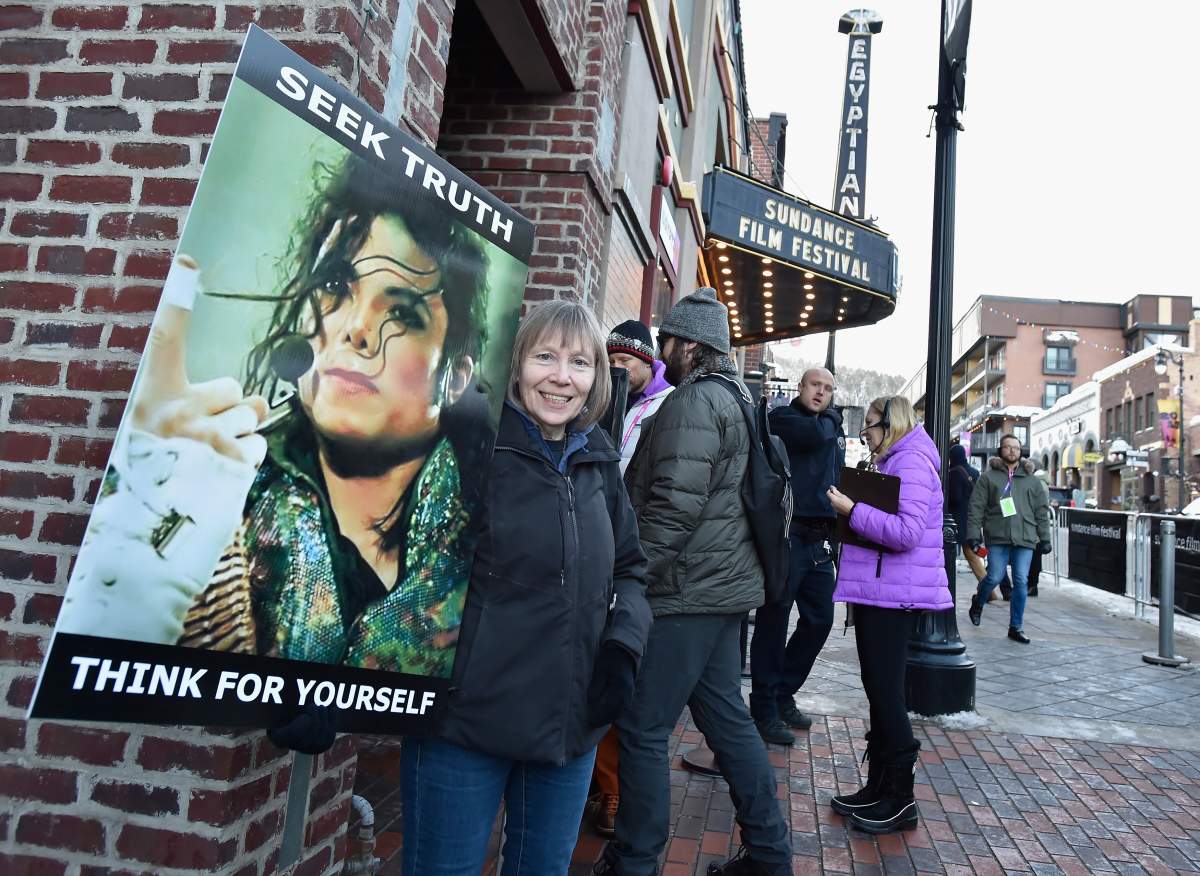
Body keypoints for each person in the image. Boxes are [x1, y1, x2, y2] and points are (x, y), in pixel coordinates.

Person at [57, 153, 494, 676]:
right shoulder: (215, 504)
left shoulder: (485, 540)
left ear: (457, 377)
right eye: (334, 287)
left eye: (402, 312)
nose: (356, 329)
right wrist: (144, 548)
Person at [401, 300, 652, 875]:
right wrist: (321, 687)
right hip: (463, 726)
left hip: (568, 730)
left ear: (597, 378)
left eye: (580, 362)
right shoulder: (471, 448)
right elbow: (406, 577)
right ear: (517, 365)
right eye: (546, 357)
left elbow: (632, 571)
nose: (562, 376)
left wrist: (622, 647)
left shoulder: (599, 463)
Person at [600, 288, 792, 876]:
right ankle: (768, 853)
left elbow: (672, 509)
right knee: (727, 721)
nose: (663, 352)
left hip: (685, 594)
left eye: (667, 342)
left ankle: (633, 862)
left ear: (690, 344)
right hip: (722, 590)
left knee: (642, 728)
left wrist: (629, 581)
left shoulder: (693, 404)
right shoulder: (738, 399)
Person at [825, 396, 952, 835]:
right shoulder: (896, 459)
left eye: (871, 428)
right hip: (880, 591)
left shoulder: (912, 461)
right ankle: (879, 786)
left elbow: (906, 533)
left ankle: (900, 798)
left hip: (892, 594)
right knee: (879, 690)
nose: (867, 437)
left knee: (886, 692)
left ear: (891, 424)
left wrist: (851, 511)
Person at [586, 319, 673, 837]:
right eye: (612, 361)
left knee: (620, 674)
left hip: (630, 549)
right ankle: (596, 786)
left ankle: (613, 792)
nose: (619, 369)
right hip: (591, 538)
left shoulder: (664, 408)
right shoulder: (598, 398)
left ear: (649, 362)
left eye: (628, 362)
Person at [749, 367, 844, 745]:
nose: (822, 393)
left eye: (829, 389)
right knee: (773, 623)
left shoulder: (830, 429)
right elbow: (813, 433)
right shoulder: (785, 419)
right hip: (788, 537)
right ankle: (764, 708)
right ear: (800, 388)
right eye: (816, 386)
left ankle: (783, 693)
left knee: (820, 620)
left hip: (819, 541)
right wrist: (834, 420)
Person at [965, 434, 1053, 644]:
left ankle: (1016, 626)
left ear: (1021, 451)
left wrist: (1045, 537)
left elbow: (1041, 510)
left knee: (1021, 581)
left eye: (1016, 447)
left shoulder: (1032, 481)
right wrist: (973, 535)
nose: (1012, 450)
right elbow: (976, 507)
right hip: (998, 536)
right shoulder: (988, 478)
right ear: (1000, 450)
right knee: (994, 576)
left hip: (1025, 538)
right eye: (1008, 447)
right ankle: (978, 601)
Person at [607, 319, 673, 474]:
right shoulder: (605, 397)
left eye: (624, 360)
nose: (616, 368)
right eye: (611, 361)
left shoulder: (669, 400)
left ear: (647, 362)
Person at [947, 444, 992, 593]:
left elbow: (955, 498)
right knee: (973, 553)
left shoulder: (954, 473)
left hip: (957, 519)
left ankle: (989, 591)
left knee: (962, 553)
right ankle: (993, 587)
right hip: (972, 517)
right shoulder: (974, 471)